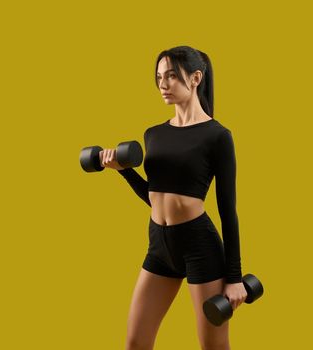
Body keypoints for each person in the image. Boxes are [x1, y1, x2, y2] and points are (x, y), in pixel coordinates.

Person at [100, 46, 248, 350]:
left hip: (199, 245)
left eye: (170, 75)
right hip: (159, 244)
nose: (163, 84)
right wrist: (123, 171)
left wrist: (234, 277)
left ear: (195, 77)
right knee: (135, 342)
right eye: (158, 77)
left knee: (213, 345)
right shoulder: (153, 134)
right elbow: (155, 197)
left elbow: (228, 210)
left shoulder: (217, 136)